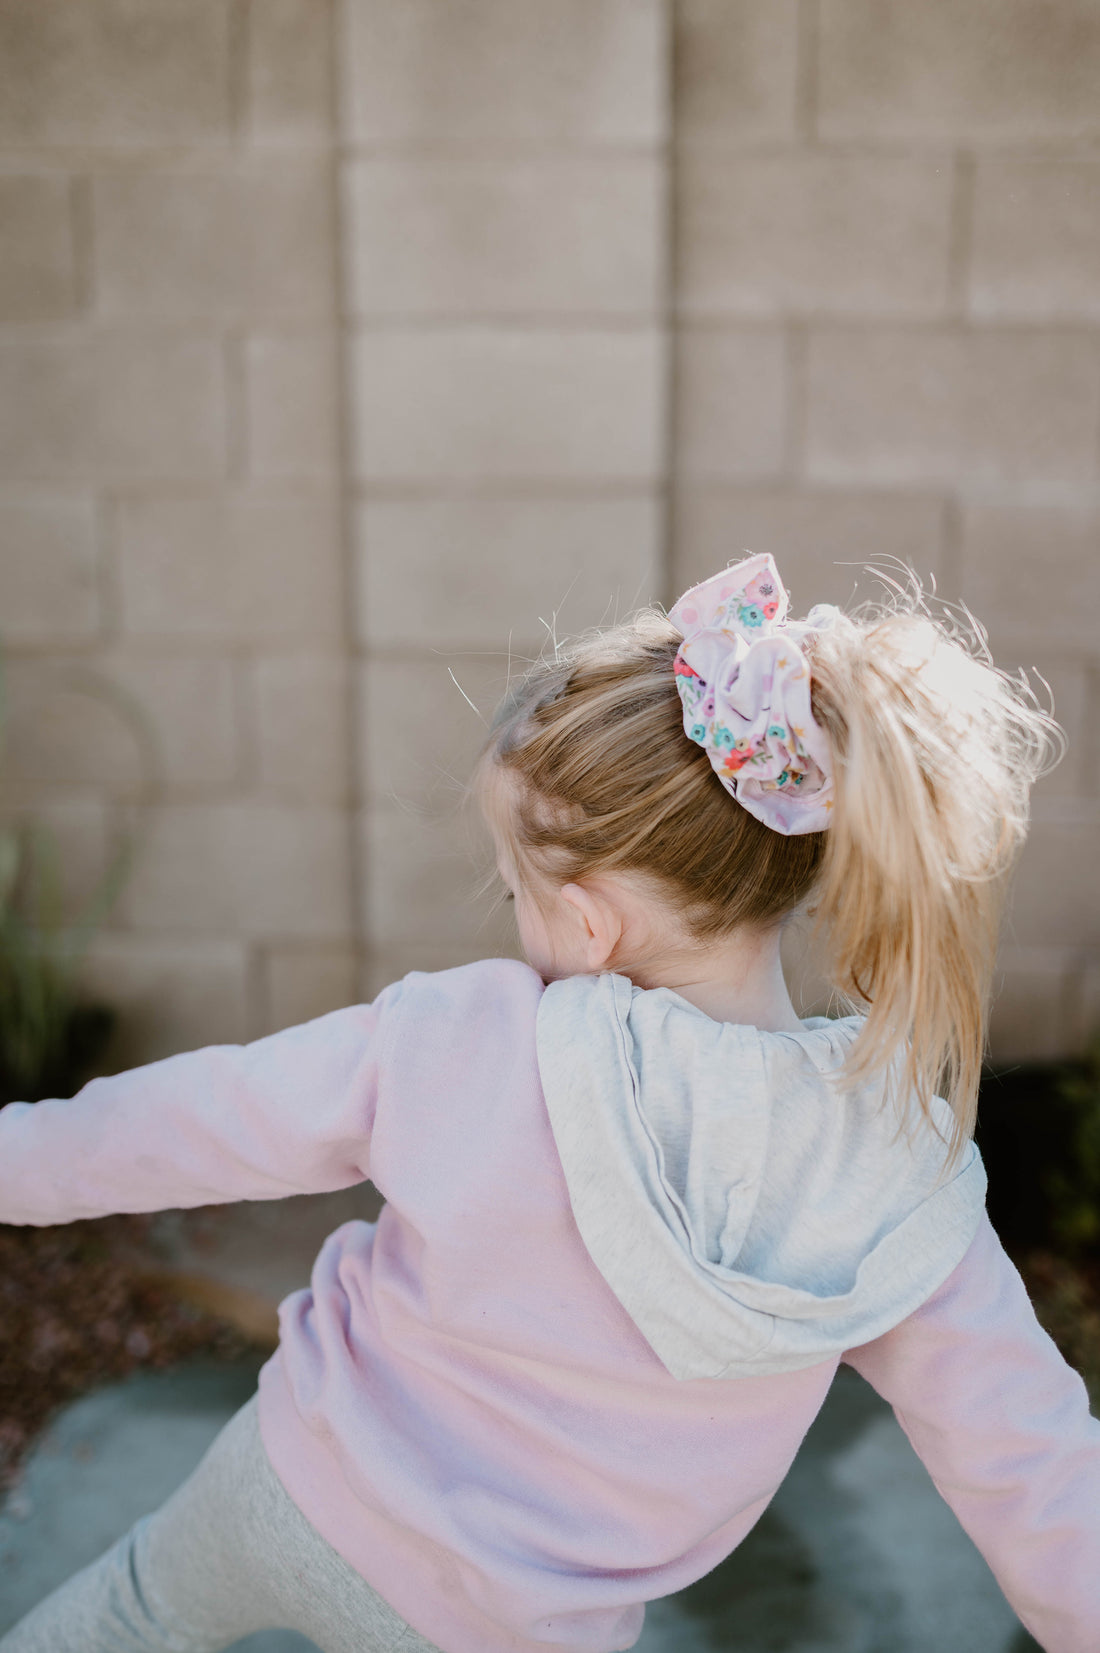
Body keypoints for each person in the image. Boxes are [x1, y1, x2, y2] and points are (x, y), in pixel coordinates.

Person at [0, 553, 1097, 1653]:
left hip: (292, 1490)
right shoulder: (892, 1169)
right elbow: (1027, 1461)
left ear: (588, 925)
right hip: (518, 1628)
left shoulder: (472, 1037)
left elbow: (195, 1121)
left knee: (125, 1618)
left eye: (518, 893)